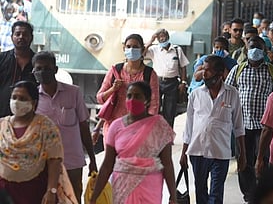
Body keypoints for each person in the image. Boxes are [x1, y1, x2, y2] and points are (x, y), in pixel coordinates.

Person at [90, 81, 176, 204]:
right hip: (121, 185)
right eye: (129, 96)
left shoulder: (159, 125)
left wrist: (173, 196)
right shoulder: (116, 126)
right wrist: (94, 197)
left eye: (137, 96)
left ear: (147, 100)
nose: (132, 99)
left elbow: (167, 163)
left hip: (150, 186)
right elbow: (107, 165)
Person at [181, 55, 246, 204]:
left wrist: (242, 154)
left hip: (220, 153)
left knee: (216, 194)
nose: (204, 74)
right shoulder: (195, 95)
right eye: (203, 69)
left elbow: (238, 127)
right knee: (200, 192)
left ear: (220, 73)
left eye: (208, 70)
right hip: (197, 151)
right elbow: (189, 126)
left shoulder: (232, 94)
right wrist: (184, 152)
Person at [33, 51, 97, 203]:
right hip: (43, 163)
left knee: (73, 198)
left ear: (55, 69)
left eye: (47, 68)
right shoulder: (33, 97)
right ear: (33, 72)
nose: (43, 72)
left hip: (72, 162)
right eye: (39, 69)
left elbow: (83, 126)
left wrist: (92, 159)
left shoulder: (73, 92)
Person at [0, 81, 77, 204]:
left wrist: (51, 191)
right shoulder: (2, 125)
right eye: (14, 97)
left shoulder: (46, 127)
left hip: (35, 191)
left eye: (22, 98)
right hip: (5, 192)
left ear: (34, 103)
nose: (16, 102)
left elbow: (54, 161)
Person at [225, 36, 273, 202]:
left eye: (258, 47)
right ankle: (249, 194)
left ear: (264, 51)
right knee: (244, 160)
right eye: (252, 47)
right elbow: (228, 92)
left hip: (265, 125)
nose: (255, 50)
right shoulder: (238, 69)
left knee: (263, 159)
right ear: (246, 50)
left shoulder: (272, 71)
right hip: (242, 124)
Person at [96, 34, 159, 140]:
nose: (131, 50)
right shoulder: (115, 71)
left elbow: (154, 104)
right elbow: (100, 98)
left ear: (142, 49)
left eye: (135, 47)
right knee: (112, 156)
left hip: (138, 128)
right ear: (124, 48)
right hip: (113, 127)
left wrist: (146, 126)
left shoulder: (149, 74)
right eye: (128, 46)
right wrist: (113, 89)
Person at [145, 29, 188, 127]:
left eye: (163, 36)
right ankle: (154, 133)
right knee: (154, 108)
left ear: (168, 37)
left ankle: (167, 137)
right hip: (157, 82)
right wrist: (151, 40)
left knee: (169, 111)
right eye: (159, 37)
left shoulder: (177, 49)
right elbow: (142, 53)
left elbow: (183, 67)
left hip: (172, 83)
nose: (162, 39)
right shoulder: (154, 50)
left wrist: (183, 82)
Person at [0, 21, 36, 117]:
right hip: (3, 115)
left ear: (31, 38)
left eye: (25, 34)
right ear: (12, 37)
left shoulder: (38, 62)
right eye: (17, 34)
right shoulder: (2, 58)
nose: (21, 37)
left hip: (30, 118)